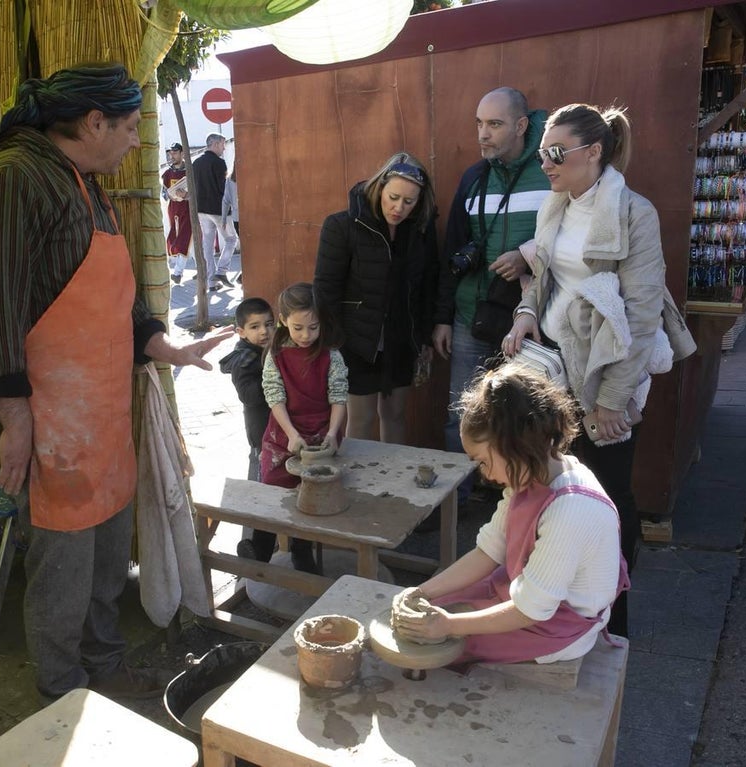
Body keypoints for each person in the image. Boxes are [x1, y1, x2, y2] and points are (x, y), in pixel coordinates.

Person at [0, 63, 231, 704]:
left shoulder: (89, 187)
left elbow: (117, 303)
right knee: (63, 565)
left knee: (107, 555)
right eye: (129, 127)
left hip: (102, 413)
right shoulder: (14, 179)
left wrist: (168, 347)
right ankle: (62, 688)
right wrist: (14, 416)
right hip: (53, 419)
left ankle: (104, 662)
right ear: (94, 122)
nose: (136, 141)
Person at [502, 103, 695, 637]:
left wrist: (611, 400)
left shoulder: (634, 212)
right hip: (556, 365)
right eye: (542, 153)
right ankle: (555, 600)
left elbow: (641, 313)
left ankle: (613, 621)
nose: (546, 163)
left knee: (609, 492)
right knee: (556, 482)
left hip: (606, 369)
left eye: (555, 152)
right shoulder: (556, 205)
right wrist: (525, 313)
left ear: (593, 152)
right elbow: (545, 278)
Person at [392, 363, 628, 664]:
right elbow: (488, 552)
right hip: (528, 596)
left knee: (440, 643)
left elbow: (531, 610)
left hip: (556, 625)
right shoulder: (532, 474)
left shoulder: (572, 510)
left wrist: (449, 626)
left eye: (483, 461)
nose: (484, 474)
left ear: (515, 446)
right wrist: (422, 592)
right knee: (433, 609)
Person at [432, 87, 551, 494]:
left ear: (521, 125)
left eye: (495, 124)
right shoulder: (474, 177)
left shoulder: (550, 172)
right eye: (479, 123)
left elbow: (572, 238)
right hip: (473, 316)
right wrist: (443, 317)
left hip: (533, 321)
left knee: (529, 415)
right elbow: (452, 251)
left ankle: (523, 500)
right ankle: (458, 501)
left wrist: (526, 258)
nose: (483, 134)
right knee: (463, 414)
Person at [313, 152, 439, 444]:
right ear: (379, 187)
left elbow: (427, 286)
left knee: (395, 415)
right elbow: (325, 288)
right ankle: (359, 475)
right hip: (356, 340)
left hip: (401, 339)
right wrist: (335, 341)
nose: (398, 208)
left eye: (409, 202)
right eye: (393, 197)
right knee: (361, 419)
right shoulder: (342, 225)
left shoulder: (420, 230)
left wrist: (423, 337)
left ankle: (392, 474)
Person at [260, 283, 349, 572]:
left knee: (312, 489)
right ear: (283, 320)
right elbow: (274, 396)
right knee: (273, 482)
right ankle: (260, 547)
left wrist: (333, 435)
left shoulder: (331, 355)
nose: (306, 335)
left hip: (323, 430)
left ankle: (302, 550)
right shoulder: (275, 355)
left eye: (313, 327)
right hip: (284, 429)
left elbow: (339, 397)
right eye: (298, 328)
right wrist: (292, 434)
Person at [219, 297, 277, 561]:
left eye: (269, 324)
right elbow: (250, 396)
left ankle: (271, 546)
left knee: (274, 494)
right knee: (258, 496)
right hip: (261, 440)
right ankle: (253, 551)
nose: (264, 331)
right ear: (241, 332)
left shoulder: (270, 351)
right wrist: (275, 374)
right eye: (255, 327)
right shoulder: (245, 360)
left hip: (278, 438)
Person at [192, 133, 239, 289]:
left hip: (201, 210)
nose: (224, 148)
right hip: (218, 210)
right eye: (223, 144)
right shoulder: (219, 163)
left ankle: (212, 281)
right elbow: (223, 188)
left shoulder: (196, 163)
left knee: (208, 245)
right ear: (216, 144)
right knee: (231, 239)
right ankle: (222, 271)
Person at [162, 142, 191, 284]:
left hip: (188, 209)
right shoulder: (167, 174)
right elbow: (163, 193)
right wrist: (169, 195)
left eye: (175, 153)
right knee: (187, 240)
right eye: (170, 153)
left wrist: (186, 195)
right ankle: (203, 270)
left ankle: (178, 273)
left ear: (182, 153)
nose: (172, 156)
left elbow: (197, 191)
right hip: (174, 209)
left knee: (185, 239)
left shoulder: (190, 171)